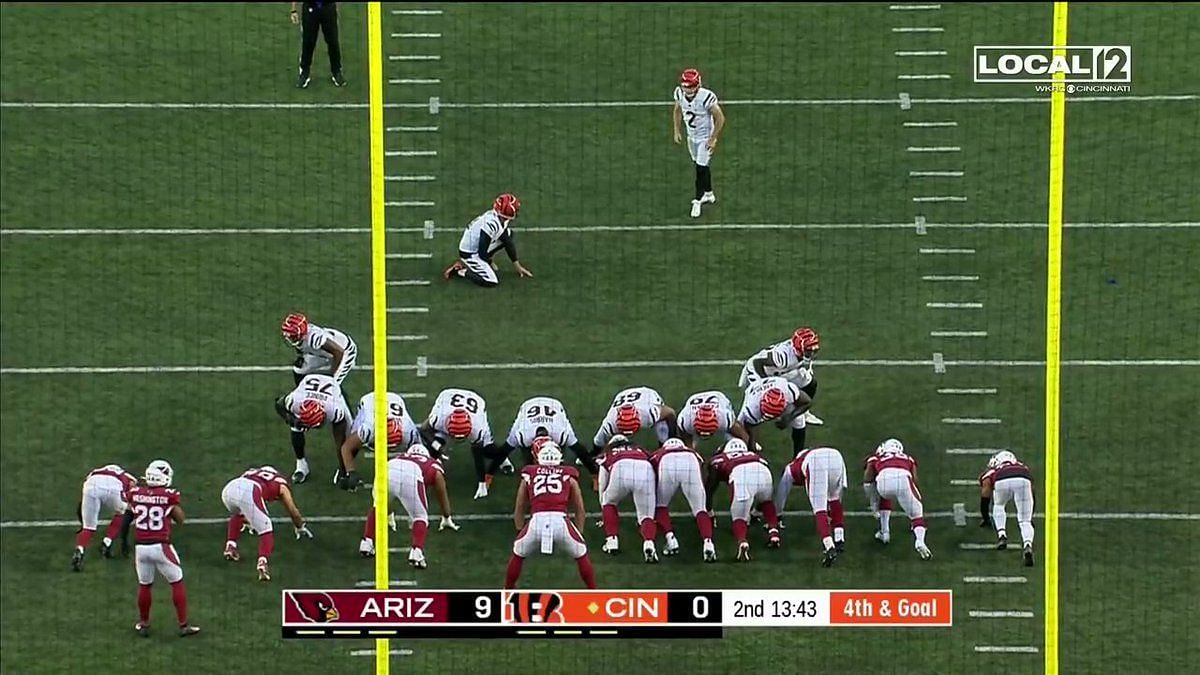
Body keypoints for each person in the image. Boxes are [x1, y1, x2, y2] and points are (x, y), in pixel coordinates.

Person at [120, 460, 200, 637]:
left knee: (145, 585)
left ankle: (144, 623)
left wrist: (123, 541)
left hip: (141, 548)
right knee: (176, 581)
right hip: (161, 546)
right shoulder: (168, 495)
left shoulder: (135, 494)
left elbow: (126, 519)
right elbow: (180, 519)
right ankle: (183, 625)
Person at [504, 442, 596, 589]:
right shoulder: (568, 474)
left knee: (518, 552)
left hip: (537, 521)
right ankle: (594, 592)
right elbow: (579, 507)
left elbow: (520, 505)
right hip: (560, 521)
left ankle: (507, 590)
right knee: (581, 553)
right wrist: (579, 532)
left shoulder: (529, 473)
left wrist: (519, 529)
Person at [359, 444, 457, 569]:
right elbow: (440, 484)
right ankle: (416, 552)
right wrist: (446, 515)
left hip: (387, 468)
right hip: (411, 474)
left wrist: (388, 515)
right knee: (420, 516)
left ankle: (366, 542)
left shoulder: (401, 456)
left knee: (378, 505)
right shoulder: (431, 463)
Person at [220, 466, 314, 582]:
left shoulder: (252, 472)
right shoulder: (280, 483)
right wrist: (299, 526)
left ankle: (231, 546)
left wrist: (250, 519)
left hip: (229, 489)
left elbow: (241, 497)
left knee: (239, 512)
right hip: (249, 491)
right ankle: (262, 562)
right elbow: (293, 510)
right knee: (266, 528)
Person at [707, 439, 780, 562]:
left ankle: (742, 541)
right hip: (763, 472)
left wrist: (708, 507)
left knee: (739, 517)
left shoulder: (721, 458)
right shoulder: (755, 455)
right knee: (766, 501)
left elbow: (711, 483)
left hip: (741, 475)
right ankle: (774, 532)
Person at [776, 446, 848, 567]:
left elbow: (782, 491)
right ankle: (839, 539)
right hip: (836, 455)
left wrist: (777, 514)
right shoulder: (808, 455)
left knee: (820, 510)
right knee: (834, 499)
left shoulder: (792, 467)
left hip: (816, 462)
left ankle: (829, 546)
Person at [275, 373, 351, 484]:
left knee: (350, 433)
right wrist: (291, 420)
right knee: (296, 427)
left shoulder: (334, 409)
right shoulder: (295, 402)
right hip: (308, 386)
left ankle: (343, 470)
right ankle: (301, 466)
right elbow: (278, 404)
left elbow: (340, 440)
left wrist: (344, 469)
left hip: (332, 389)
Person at [442, 194, 533, 288]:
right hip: (469, 253)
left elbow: (507, 240)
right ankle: (459, 271)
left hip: (477, 247)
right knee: (491, 281)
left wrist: (517, 266)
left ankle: (480, 263)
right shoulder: (491, 224)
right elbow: (481, 252)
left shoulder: (500, 217)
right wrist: (489, 262)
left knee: (509, 235)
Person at [738, 327, 823, 426]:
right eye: (808, 351)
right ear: (799, 349)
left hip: (779, 371)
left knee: (809, 381)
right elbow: (757, 362)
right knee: (757, 398)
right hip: (758, 370)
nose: (812, 353)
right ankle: (745, 423)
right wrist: (764, 382)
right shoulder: (783, 357)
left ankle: (804, 413)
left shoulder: (796, 352)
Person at [863, 439, 931, 560]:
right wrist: (916, 496)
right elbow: (915, 479)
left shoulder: (876, 458)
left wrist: (873, 501)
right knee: (917, 514)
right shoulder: (908, 458)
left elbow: (867, 479)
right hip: (903, 478)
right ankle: (920, 541)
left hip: (883, 481)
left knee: (882, 494)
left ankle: (885, 532)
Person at [650, 438, 716, 561]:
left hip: (667, 462)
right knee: (700, 509)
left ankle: (671, 539)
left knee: (660, 505)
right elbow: (702, 466)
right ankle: (708, 543)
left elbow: (651, 471)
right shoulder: (692, 452)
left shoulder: (658, 452)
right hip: (690, 462)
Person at [672, 68, 725, 218]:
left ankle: (697, 200)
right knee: (700, 166)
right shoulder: (679, 94)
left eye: (688, 86)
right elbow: (677, 110)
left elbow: (720, 118)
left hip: (704, 138)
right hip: (691, 136)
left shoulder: (706, 97)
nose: (685, 89)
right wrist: (676, 130)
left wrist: (713, 138)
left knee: (700, 168)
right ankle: (708, 193)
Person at [597, 435, 659, 562]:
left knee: (609, 501)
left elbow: (602, 483)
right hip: (645, 469)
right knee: (646, 515)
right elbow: (655, 463)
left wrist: (604, 509)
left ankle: (612, 541)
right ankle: (649, 543)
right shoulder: (640, 449)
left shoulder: (609, 452)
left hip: (620, 468)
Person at [72, 464, 138, 571]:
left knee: (88, 527)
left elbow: (81, 504)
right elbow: (133, 491)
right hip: (114, 487)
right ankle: (107, 542)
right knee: (121, 513)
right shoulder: (126, 476)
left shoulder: (94, 472)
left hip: (91, 486)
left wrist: (82, 523)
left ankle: (80, 549)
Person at [979, 450, 1036, 566]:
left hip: (1001, 479)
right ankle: (1027, 545)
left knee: (999, 505)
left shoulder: (994, 470)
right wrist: (1030, 515)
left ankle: (1002, 535)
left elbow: (985, 493)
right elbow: (1032, 490)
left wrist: (985, 517)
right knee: (1025, 521)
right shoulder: (1022, 466)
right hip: (1023, 478)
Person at [291, 1, 344, 88]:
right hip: (310, 7)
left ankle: (337, 71)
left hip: (328, 7)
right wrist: (294, 10)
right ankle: (304, 73)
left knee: (333, 41)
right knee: (308, 42)